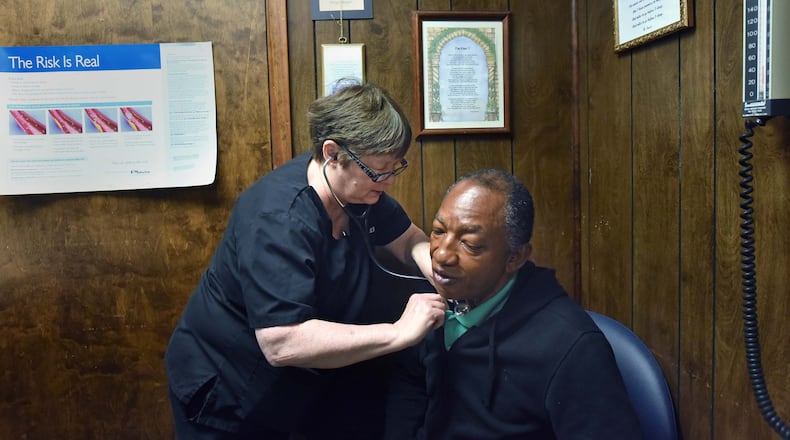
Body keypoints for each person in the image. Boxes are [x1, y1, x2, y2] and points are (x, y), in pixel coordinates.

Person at [165, 82, 447, 439]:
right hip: (228, 388)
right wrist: (399, 332)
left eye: (396, 168)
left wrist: (437, 269)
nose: (389, 182)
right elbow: (282, 341)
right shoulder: (278, 218)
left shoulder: (358, 192)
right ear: (332, 153)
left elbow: (407, 239)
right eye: (379, 171)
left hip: (299, 391)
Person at [384, 169, 643, 439]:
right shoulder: (428, 310)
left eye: (470, 244)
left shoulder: (572, 345)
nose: (442, 254)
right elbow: (406, 404)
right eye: (438, 231)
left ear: (515, 257)